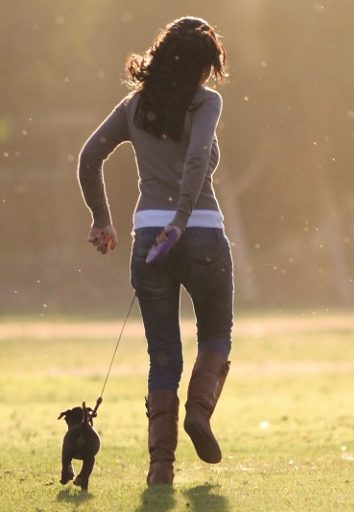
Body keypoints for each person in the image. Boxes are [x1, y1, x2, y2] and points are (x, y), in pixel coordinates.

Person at [77, 17, 232, 485]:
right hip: (202, 233)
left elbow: (89, 157)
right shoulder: (206, 102)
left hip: (147, 237)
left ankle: (160, 467)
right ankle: (199, 414)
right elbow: (198, 156)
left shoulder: (134, 106)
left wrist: (102, 220)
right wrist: (182, 222)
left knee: (163, 355)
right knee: (215, 336)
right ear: (203, 65)